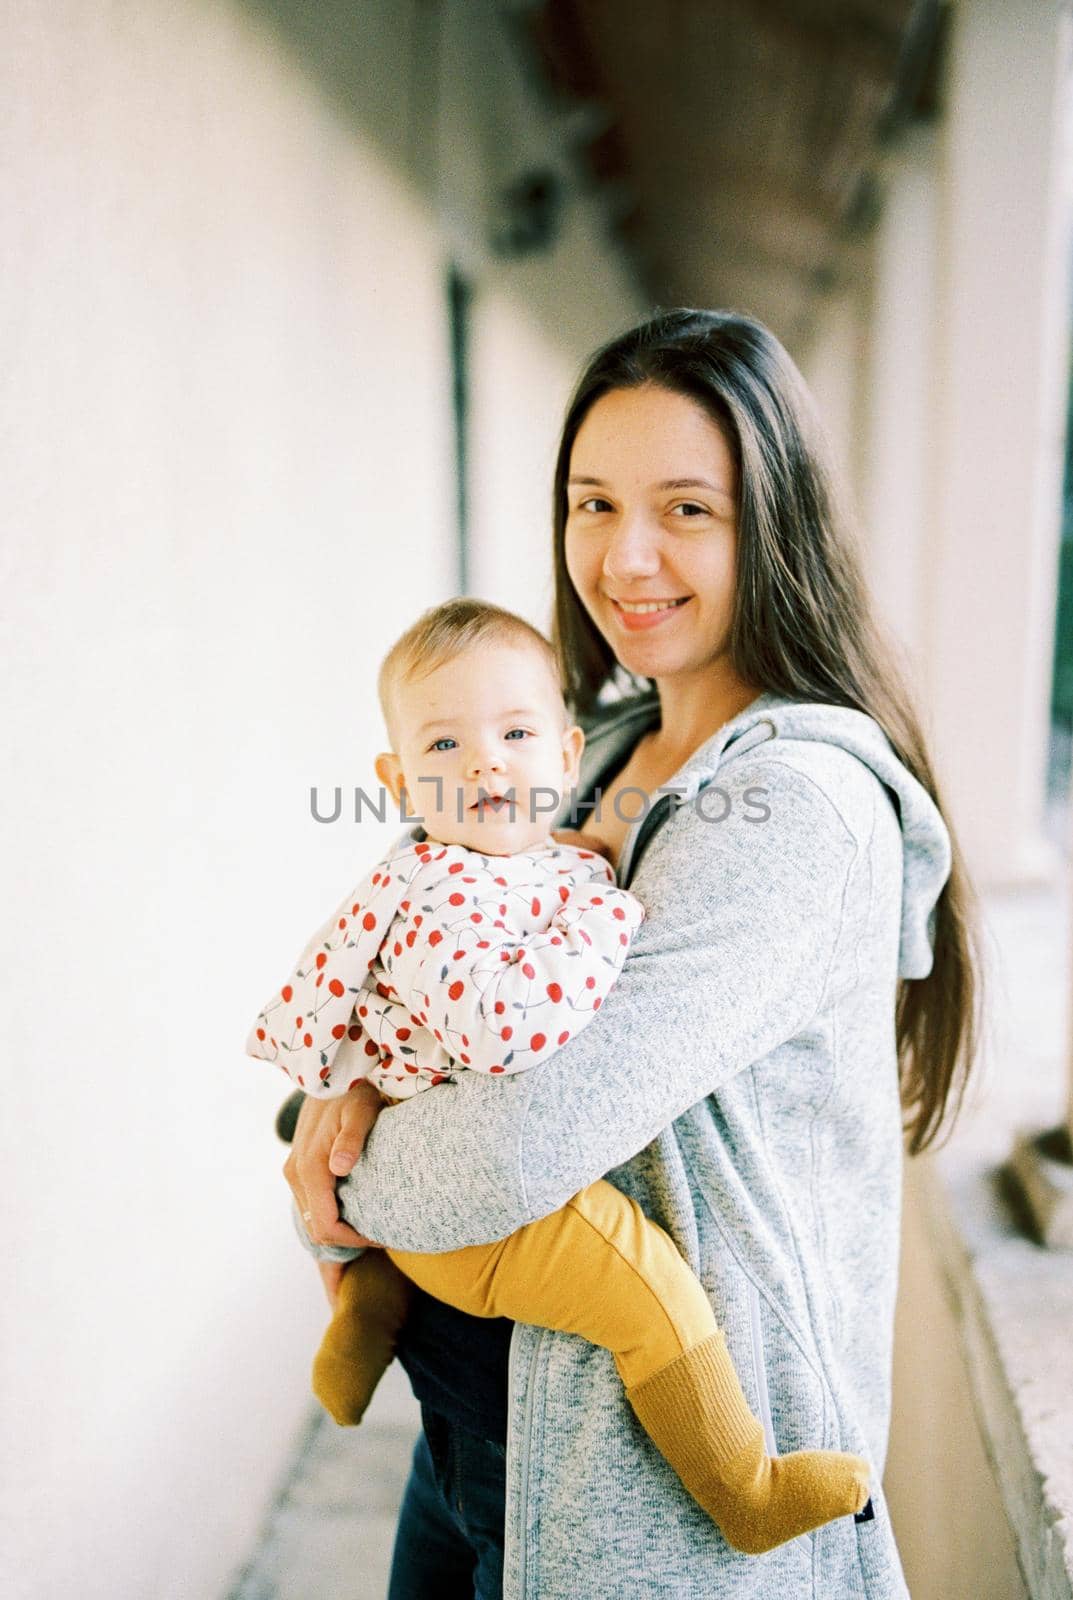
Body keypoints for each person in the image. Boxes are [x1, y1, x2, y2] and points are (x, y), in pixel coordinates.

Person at [278, 309, 979, 1600]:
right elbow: (429, 979)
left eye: (686, 510)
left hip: (646, 1525)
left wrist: (336, 1164)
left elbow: (507, 1151)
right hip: (477, 1451)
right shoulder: (581, 747)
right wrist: (356, 1079)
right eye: (592, 503)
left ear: (776, 524)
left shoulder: (794, 811)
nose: (626, 554)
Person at [250, 596, 871, 1555]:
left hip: (447, 1280)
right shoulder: (444, 894)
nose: (486, 761)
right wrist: (609, 916)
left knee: (397, 1263)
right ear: (399, 780)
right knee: (647, 1290)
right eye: (445, 748)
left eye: (512, 733)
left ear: (567, 756)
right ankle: (744, 1488)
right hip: (487, 1228)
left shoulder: (512, 859)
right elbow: (505, 1036)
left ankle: (361, 1328)